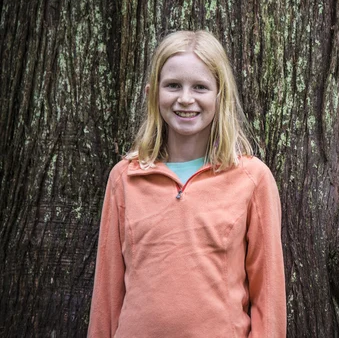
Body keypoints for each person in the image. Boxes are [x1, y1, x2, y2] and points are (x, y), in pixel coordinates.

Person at [88, 30, 286, 337]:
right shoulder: (125, 178)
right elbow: (107, 295)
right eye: (173, 86)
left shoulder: (252, 179)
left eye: (200, 87)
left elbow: (268, 299)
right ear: (152, 93)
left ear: (221, 96)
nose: (185, 98)